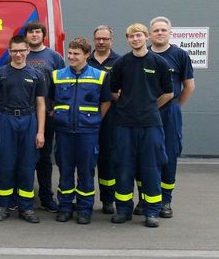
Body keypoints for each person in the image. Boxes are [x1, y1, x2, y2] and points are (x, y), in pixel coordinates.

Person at [108, 23, 173, 228]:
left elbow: (168, 93)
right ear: (127, 39)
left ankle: (151, 211)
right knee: (124, 168)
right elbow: (113, 92)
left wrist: (150, 107)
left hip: (151, 124)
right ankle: (124, 210)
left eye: (138, 35)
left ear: (146, 37)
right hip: (125, 124)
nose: (135, 39)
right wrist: (129, 106)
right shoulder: (121, 63)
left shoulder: (159, 62)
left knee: (151, 168)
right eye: (130, 36)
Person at [1, 22, 65, 212]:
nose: (34, 34)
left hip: (46, 115)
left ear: (43, 35)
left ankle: (46, 197)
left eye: (38, 31)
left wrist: (55, 107)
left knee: (44, 159)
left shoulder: (54, 57)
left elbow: (60, 83)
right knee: (16, 157)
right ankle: (13, 196)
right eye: (31, 32)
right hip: (20, 116)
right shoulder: (13, 57)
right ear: (26, 37)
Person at [50, 37, 111, 224]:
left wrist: (94, 120)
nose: (71, 57)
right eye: (69, 53)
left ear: (86, 54)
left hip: (88, 132)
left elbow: (106, 102)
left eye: (76, 53)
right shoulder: (57, 75)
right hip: (64, 131)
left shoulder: (100, 76)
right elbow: (50, 101)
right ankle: (65, 207)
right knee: (65, 170)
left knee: (86, 171)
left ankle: (85, 209)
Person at [0, 35, 47, 224]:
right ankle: (2, 206)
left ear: (28, 51)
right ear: (9, 51)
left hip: (29, 120)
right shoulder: (0, 73)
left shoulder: (36, 75)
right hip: (5, 119)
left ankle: (26, 207)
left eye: (22, 50)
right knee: (5, 164)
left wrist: (40, 131)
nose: (18, 54)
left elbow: (41, 104)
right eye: (14, 51)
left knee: (27, 165)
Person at [145, 16, 195, 219]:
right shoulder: (142, 54)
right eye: (156, 30)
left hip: (170, 113)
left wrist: (174, 106)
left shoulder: (180, 55)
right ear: (149, 34)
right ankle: (147, 199)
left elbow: (189, 86)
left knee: (169, 155)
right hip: (146, 113)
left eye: (163, 30)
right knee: (146, 156)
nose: (159, 33)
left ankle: (165, 200)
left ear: (169, 33)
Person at [87, 25, 120, 214]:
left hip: (110, 119)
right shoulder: (85, 59)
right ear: (94, 40)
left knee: (108, 161)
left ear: (111, 41)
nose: (101, 42)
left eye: (105, 39)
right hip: (87, 118)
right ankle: (87, 199)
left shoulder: (120, 61)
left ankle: (108, 200)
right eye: (98, 38)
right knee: (87, 161)